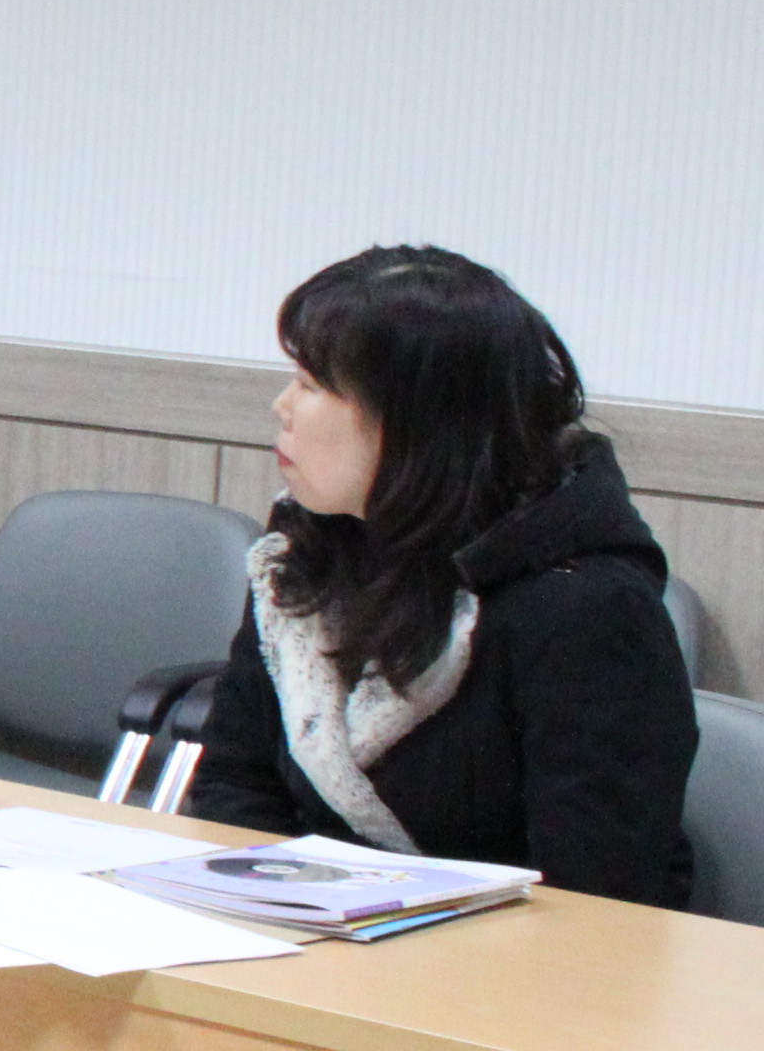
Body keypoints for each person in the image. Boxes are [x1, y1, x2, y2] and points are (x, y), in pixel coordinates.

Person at [186, 247, 694, 906]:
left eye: (311, 384)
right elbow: (235, 783)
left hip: (509, 956)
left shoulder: (586, 607)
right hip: (317, 931)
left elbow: (597, 896)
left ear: (420, 418)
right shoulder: (310, 553)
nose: (281, 405)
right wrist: (276, 908)